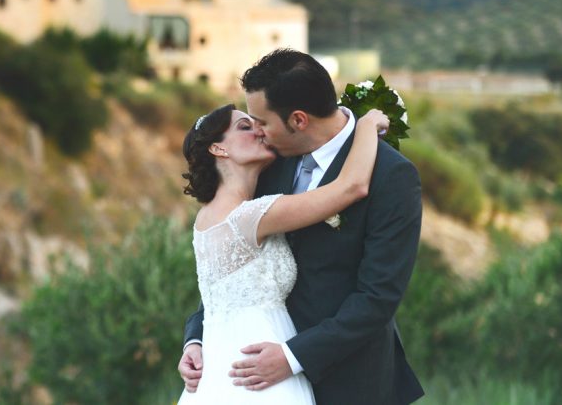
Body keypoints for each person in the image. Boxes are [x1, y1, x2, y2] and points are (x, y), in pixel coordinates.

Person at [178, 49, 424, 405]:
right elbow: (232, 272)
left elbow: (378, 297)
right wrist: (196, 338)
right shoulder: (265, 165)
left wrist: (293, 356)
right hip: (250, 376)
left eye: (260, 122)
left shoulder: (391, 175)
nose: (258, 133)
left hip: (349, 380)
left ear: (298, 120)